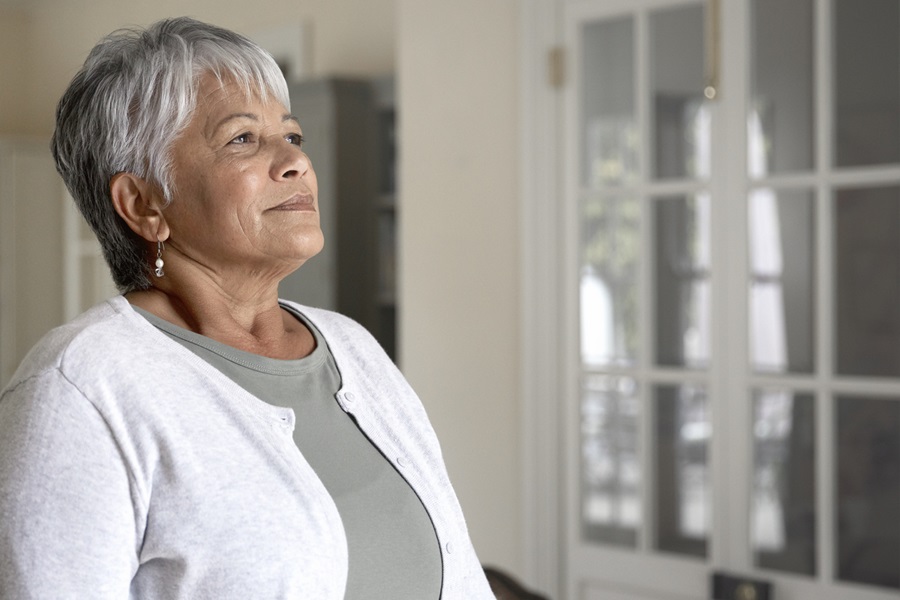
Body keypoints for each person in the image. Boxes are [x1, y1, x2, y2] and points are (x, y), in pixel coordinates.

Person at [0, 17, 495, 599]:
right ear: (143, 204)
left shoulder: (353, 349)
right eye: (242, 139)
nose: (294, 162)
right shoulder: (81, 387)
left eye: (292, 136)